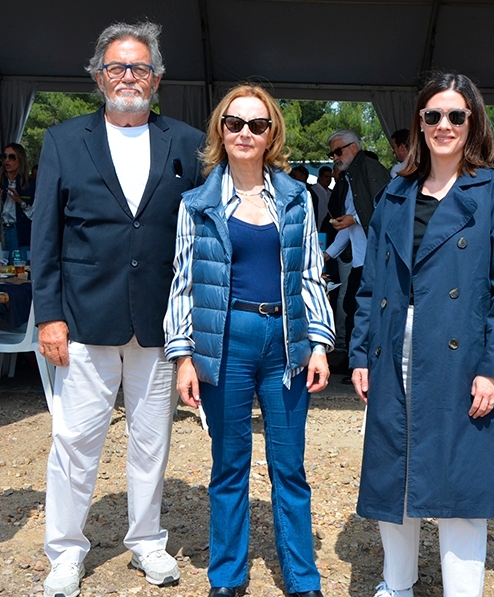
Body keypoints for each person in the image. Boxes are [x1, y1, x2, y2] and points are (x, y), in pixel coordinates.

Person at [31, 21, 206, 597]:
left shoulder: (186, 142)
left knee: (152, 441)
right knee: (76, 442)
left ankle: (147, 541)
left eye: (138, 67)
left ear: (156, 78)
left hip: (158, 324)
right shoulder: (63, 140)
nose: (127, 77)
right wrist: (49, 315)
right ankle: (64, 551)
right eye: (116, 67)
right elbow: (45, 238)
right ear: (99, 76)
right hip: (84, 320)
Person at [350, 72, 494, 597]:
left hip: (460, 352)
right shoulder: (397, 190)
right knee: (393, 470)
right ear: (420, 124)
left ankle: (461, 590)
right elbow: (372, 281)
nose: (444, 125)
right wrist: (359, 352)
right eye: (433, 116)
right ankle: (396, 584)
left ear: (473, 122)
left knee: (459, 475)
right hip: (393, 346)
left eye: (456, 115)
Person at [164, 83, 333, 597]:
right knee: (229, 464)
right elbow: (184, 280)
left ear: (271, 134)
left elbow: (310, 273)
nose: (245, 133)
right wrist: (183, 356)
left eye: (257, 125)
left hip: (285, 341)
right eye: (234, 123)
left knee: (290, 466)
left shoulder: (296, 198)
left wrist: (320, 343)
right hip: (226, 340)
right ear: (221, 130)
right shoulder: (196, 204)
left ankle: (303, 579)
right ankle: (227, 577)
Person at [325, 130, 391, 374]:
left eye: (338, 151)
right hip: (360, 261)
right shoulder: (352, 177)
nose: (335, 157)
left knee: (363, 313)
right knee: (354, 311)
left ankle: (364, 364)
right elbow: (350, 225)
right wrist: (328, 255)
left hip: (373, 261)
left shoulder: (369, 169)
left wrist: (353, 219)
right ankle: (357, 364)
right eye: (332, 153)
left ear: (354, 148)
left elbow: (384, 211)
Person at [0, 142, 35, 254]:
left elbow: (36, 215)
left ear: (20, 159)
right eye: (4, 156)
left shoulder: (31, 185)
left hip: (20, 232)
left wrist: (20, 201)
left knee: (20, 268)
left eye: (11, 157)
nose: (7, 160)